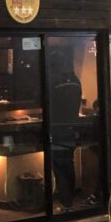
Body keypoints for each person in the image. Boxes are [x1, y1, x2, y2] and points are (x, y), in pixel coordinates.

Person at [49, 62, 83, 212]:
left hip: (57, 129)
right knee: (68, 164)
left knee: (59, 165)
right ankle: (69, 200)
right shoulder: (75, 81)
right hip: (71, 128)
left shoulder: (56, 82)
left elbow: (50, 104)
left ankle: (65, 201)